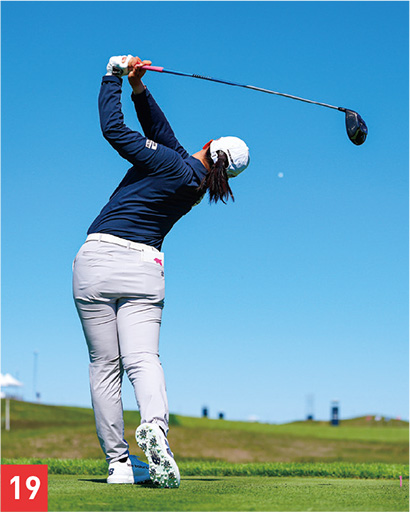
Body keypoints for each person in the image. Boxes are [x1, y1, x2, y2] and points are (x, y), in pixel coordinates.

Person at [72, 55, 250, 488]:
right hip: (145, 270)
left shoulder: (173, 164)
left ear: (209, 144)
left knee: (104, 366)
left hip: (98, 261)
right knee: (143, 359)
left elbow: (114, 130)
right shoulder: (194, 182)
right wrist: (139, 88)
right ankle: (154, 428)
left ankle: (118, 463)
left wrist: (111, 76)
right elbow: (163, 137)